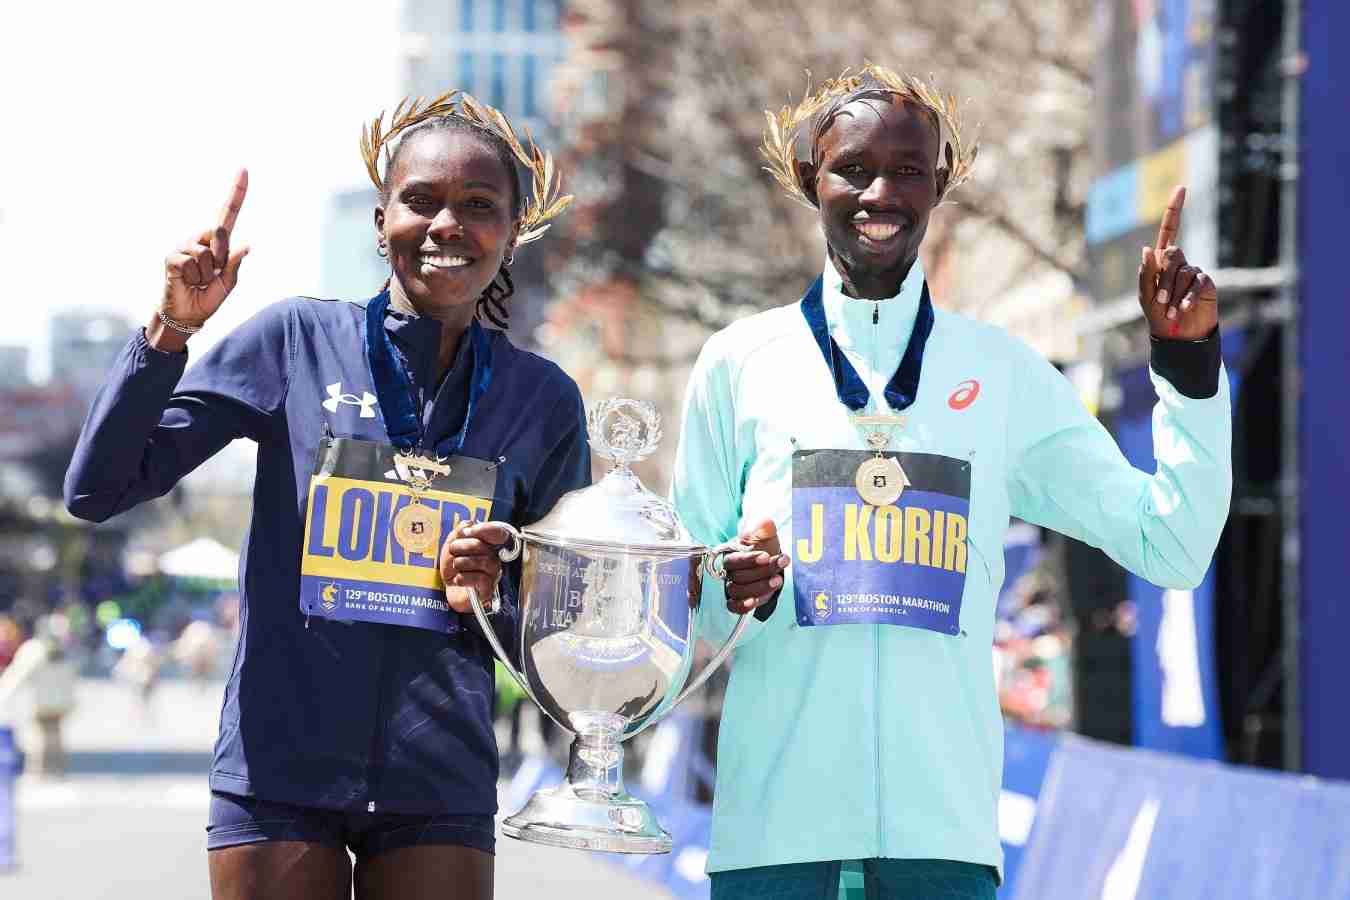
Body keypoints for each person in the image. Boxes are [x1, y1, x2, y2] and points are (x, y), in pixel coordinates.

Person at [671, 64, 1230, 899]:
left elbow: (1171, 543)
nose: (879, 193)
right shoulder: (738, 364)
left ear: (940, 183)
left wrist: (1186, 368)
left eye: (906, 171)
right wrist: (728, 579)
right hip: (774, 837)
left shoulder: (1001, 373)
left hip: (944, 842)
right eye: (852, 169)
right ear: (807, 179)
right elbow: (692, 604)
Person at [64, 90, 587, 900]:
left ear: (512, 233)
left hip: (437, 781)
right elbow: (98, 488)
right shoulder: (294, 341)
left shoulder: (542, 398)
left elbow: (564, 632)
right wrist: (169, 332)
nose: (448, 224)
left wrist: (497, 593)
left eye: (479, 206)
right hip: (279, 769)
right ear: (381, 223)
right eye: (420, 201)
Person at [0, 615, 79, 777]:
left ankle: (39, 771)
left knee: (39, 736)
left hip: (41, 701)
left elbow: (17, 675)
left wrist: (4, 692)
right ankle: (57, 769)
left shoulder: (33, 649)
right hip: (62, 701)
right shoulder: (65, 649)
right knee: (56, 735)